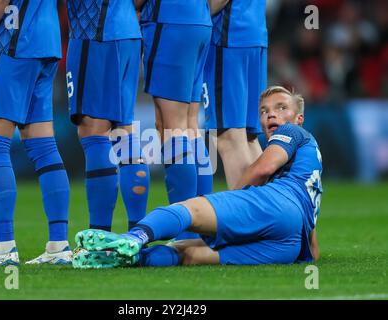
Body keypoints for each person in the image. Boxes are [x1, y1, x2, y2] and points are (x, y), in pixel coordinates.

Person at [72, 86, 322, 268]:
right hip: (291, 243)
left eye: (281, 108)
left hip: (277, 208)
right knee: (191, 255)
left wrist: (229, 200)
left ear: (298, 119)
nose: (271, 115)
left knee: (190, 210)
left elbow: (262, 169)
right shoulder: (310, 163)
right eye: (264, 110)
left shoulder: (292, 132)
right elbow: (313, 245)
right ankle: (127, 259)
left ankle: (132, 238)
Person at [0, 0, 71, 266]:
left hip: (13, 39)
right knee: (43, 147)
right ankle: (59, 245)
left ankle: (4, 247)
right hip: (47, 40)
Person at [65, 0, 150, 233]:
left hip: (94, 32)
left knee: (93, 131)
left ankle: (99, 237)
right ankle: (138, 235)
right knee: (124, 132)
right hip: (129, 31)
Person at [134, 0, 214, 240]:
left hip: (170, 22)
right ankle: (204, 228)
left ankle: (185, 232)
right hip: (200, 21)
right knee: (190, 126)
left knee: (172, 127)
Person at [204, 0, 268, 189]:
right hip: (253, 32)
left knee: (229, 137)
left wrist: (193, 18)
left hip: (227, 36)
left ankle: (245, 215)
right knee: (248, 137)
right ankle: (265, 214)